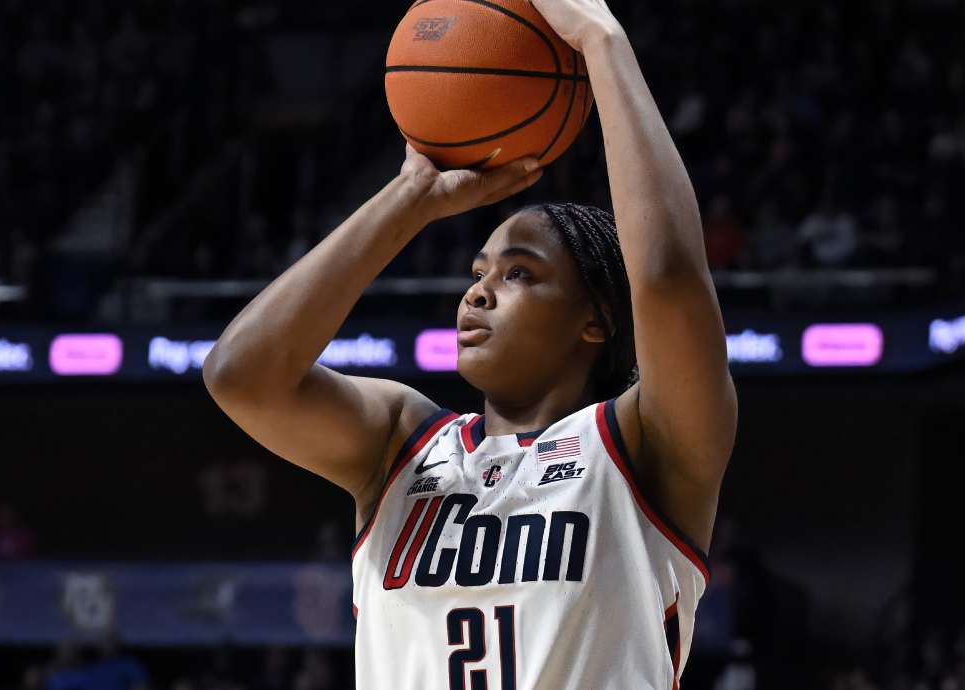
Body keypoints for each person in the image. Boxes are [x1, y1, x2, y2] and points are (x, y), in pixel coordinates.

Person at [203, 0, 736, 687]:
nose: (477, 294)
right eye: (478, 273)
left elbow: (665, 278)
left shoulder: (648, 446)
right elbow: (240, 375)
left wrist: (602, 43)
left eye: (519, 274)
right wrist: (412, 196)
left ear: (596, 320)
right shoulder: (401, 444)